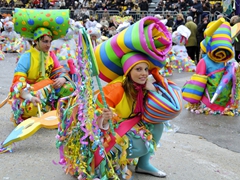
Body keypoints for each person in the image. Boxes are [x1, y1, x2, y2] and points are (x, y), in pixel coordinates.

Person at [96, 57, 167, 178]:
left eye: (146, 69)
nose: (144, 73)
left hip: (131, 124)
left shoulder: (143, 86)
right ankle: (114, 164)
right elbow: (94, 115)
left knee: (158, 125)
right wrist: (105, 117)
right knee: (140, 147)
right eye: (138, 69)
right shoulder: (117, 88)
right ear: (128, 71)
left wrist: (154, 90)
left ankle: (144, 164)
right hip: (111, 130)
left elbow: (160, 110)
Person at [10, 27, 75, 125]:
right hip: (30, 93)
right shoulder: (26, 57)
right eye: (45, 41)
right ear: (36, 41)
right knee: (32, 106)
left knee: (69, 88)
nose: (48, 45)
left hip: (48, 90)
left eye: (50, 41)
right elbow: (18, 84)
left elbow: (60, 71)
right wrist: (30, 97)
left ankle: (56, 114)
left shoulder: (51, 55)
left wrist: (62, 78)